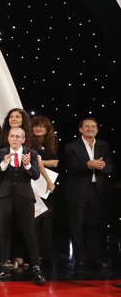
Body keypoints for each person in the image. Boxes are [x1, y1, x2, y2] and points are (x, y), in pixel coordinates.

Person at [0, 126, 46, 285]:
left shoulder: (31, 153)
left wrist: (27, 166)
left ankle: (36, 268)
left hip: (25, 196)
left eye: (17, 137)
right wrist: (3, 164)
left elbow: (36, 176)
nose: (14, 139)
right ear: (8, 138)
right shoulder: (1, 153)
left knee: (29, 232)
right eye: (11, 136)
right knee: (4, 231)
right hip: (5, 196)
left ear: (23, 139)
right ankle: (3, 266)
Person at [59, 117, 114, 275]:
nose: (90, 129)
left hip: (97, 190)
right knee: (77, 225)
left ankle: (94, 257)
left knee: (94, 224)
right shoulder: (71, 146)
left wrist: (102, 166)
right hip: (77, 190)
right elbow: (71, 167)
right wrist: (87, 165)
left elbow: (110, 166)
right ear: (80, 129)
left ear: (97, 129)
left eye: (93, 127)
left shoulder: (104, 145)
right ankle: (79, 257)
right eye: (87, 126)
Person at [29, 115, 60, 266]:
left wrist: (39, 161)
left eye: (42, 126)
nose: (39, 129)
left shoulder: (52, 144)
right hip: (32, 185)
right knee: (32, 220)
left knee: (46, 220)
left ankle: (44, 254)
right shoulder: (28, 143)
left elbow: (56, 163)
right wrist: (41, 162)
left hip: (47, 187)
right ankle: (31, 256)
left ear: (47, 130)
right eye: (36, 126)